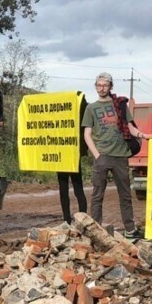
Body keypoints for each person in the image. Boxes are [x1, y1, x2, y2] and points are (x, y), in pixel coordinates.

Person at [82, 72, 152, 237]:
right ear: (95, 86)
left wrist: (143, 135)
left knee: (125, 196)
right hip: (102, 156)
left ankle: (130, 229)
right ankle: (96, 230)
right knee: (97, 195)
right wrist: (97, 155)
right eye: (99, 85)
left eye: (105, 85)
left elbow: (130, 127)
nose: (102, 88)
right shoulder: (91, 108)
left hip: (121, 156)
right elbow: (87, 134)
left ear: (111, 86)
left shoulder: (120, 105)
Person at [57, 94, 88, 224]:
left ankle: (70, 219)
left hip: (65, 155)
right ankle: (80, 218)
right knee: (75, 188)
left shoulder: (67, 119)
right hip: (67, 156)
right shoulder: (79, 118)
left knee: (69, 189)